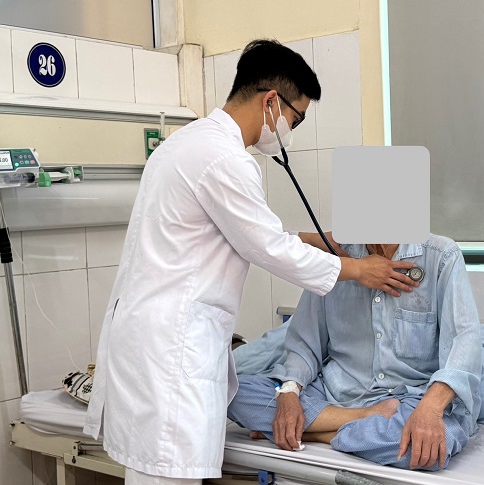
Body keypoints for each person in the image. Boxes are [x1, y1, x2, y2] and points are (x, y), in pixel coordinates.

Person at [83, 39, 419, 485]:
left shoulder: (186, 144)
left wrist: (314, 239)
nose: (291, 131)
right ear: (271, 101)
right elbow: (266, 248)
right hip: (172, 349)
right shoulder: (224, 159)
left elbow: (242, 235)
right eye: (296, 118)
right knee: (167, 471)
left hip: (153, 336)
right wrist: (359, 270)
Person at [228, 235, 482, 471]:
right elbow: (305, 342)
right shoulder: (334, 260)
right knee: (228, 390)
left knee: (434, 446)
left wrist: (430, 409)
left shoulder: (441, 255)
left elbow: (464, 341)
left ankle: (315, 433)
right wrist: (289, 392)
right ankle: (361, 419)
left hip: (410, 399)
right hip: (336, 394)